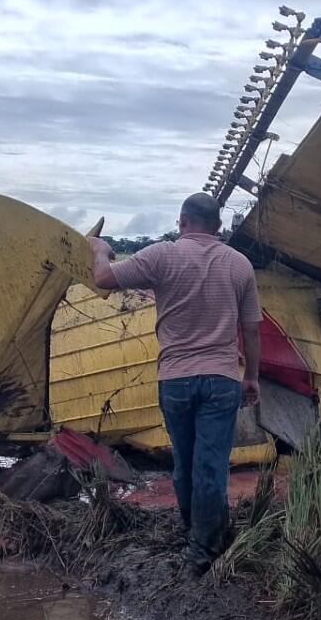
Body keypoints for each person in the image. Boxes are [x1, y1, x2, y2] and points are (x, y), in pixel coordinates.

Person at [89, 193, 261, 576]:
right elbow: (251, 329)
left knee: (184, 465)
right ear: (217, 227)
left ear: (182, 221)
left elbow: (102, 277)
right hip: (221, 379)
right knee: (211, 467)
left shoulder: (161, 255)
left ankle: (194, 536)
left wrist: (100, 248)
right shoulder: (239, 265)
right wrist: (251, 377)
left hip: (176, 380)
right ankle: (204, 550)